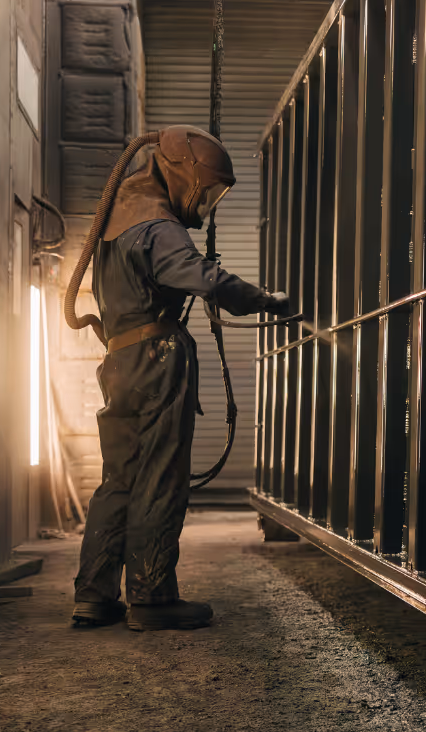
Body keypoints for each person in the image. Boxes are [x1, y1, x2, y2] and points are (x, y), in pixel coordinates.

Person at [71, 126, 290, 631]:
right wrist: (262, 298)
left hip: (121, 362)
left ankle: (94, 596)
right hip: (158, 356)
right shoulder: (158, 224)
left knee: (119, 480)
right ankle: (151, 596)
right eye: (206, 190)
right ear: (180, 174)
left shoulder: (120, 218)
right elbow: (198, 276)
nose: (207, 202)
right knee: (160, 477)